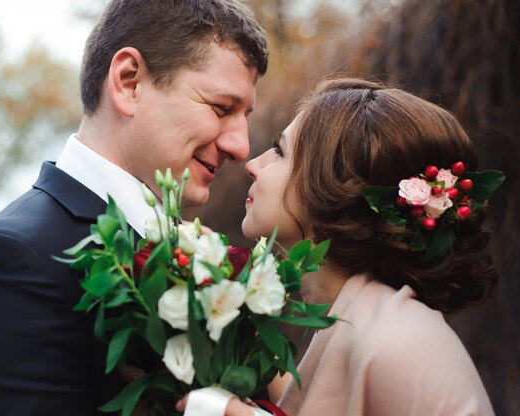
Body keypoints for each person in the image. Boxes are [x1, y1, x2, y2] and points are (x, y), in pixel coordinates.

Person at [0, 1, 268, 415]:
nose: (241, 146)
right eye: (221, 108)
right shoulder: (8, 266)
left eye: (244, 116)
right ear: (128, 82)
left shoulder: (202, 258)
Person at [213, 77, 498, 415]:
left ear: (333, 184)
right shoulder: (360, 323)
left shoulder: (401, 343)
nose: (252, 164)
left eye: (280, 151)